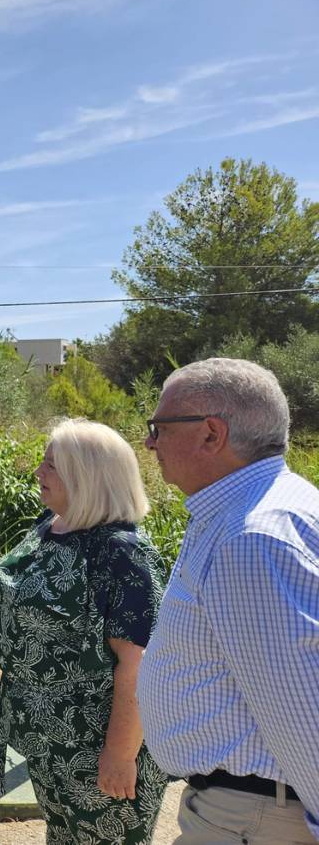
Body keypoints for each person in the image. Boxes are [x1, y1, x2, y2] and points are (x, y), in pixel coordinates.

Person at [136, 357, 319, 843]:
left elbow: (301, 708)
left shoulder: (250, 537)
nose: (150, 442)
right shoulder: (261, 509)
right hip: (252, 810)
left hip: (254, 817)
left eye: (159, 427)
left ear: (211, 435)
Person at [0, 418, 168, 844]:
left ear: (86, 475)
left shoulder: (123, 553)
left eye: (51, 465)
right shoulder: (51, 525)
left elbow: (139, 662)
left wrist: (121, 754)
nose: (38, 473)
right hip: (47, 739)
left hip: (98, 743)